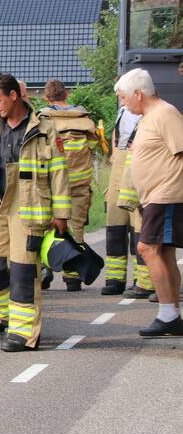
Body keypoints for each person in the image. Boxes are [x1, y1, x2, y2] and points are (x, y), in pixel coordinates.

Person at [0, 73, 70, 351]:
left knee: (23, 270)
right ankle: (11, 317)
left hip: (28, 205)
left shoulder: (45, 128)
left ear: (14, 96)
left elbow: (59, 173)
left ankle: (23, 334)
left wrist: (61, 213)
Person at [114, 69, 183, 337]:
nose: (122, 103)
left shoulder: (165, 114)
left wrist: (169, 187)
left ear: (138, 93)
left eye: (123, 97)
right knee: (163, 252)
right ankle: (172, 314)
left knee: (147, 248)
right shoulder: (149, 117)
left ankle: (167, 315)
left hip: (165, 195)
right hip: (156, 196)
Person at [38, 79, 99, 292]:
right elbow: (93, 145)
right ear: (67, 94)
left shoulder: (43, 119)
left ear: (47, 98)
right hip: (80, 183)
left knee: (47, 226)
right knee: (77, 226)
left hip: (52, 184)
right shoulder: (84, 119)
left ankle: (45, 268)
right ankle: (73, 276)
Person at [103, 94, 151, 297]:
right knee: (115, 225)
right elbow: (117, 139)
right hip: (119, 169)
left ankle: (144, 280)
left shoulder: (147, 114)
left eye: (123, 97)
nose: (120, 101)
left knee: (137, 227)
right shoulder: (123, 110)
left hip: (136, 169)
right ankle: (115, 279)